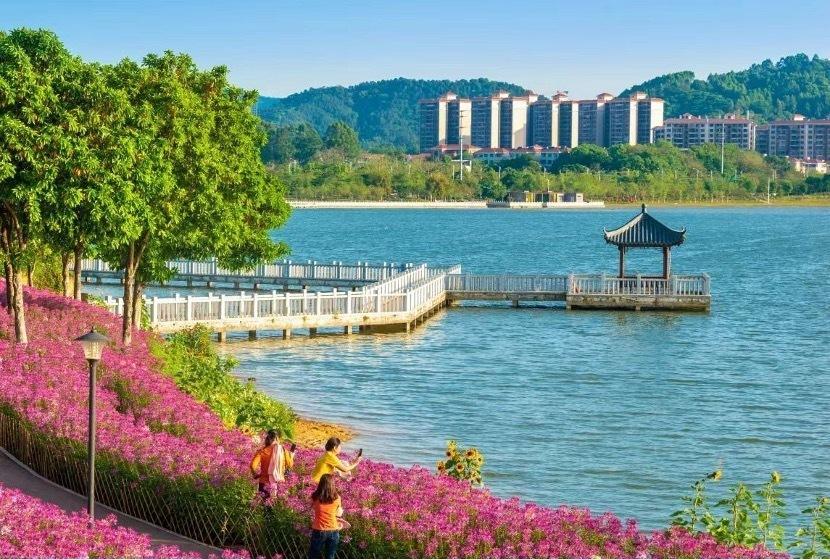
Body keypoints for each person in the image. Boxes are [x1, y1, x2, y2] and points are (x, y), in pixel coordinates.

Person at [250, 428, 295, 500]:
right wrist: (291, 455)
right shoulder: (283, 451)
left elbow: (252, 465)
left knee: (262, 503)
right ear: (278, 438)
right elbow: (290, 464)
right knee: (273, 504)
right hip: (278, 483)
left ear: (268, 438)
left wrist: (254, 474)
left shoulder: (262, 451)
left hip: (263, 483)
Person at [309, 474, 343, 559]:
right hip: (333, 530)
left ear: (320, 483)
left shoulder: (315, 497)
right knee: (330, 556)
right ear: (332, 484)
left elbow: (313, 508)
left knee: (313, 556)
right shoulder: (337, 498)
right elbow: (338, 514)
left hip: (319, 530)